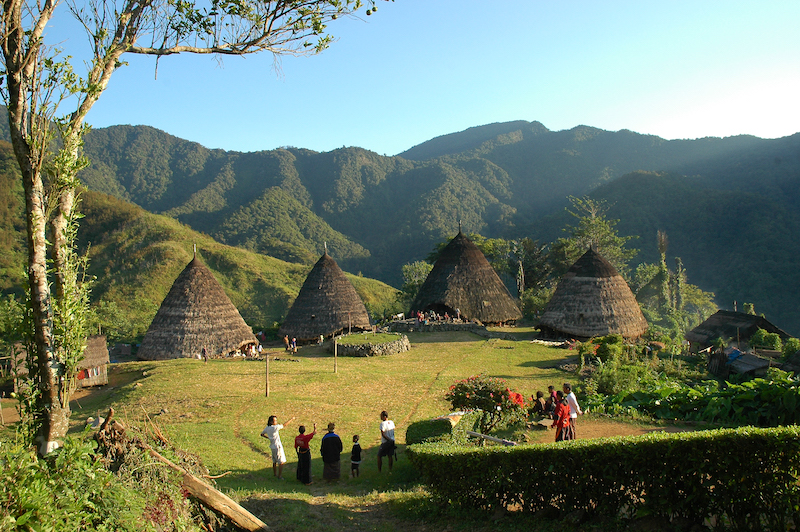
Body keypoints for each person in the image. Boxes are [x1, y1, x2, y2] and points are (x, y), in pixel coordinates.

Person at [261, 414, 295, 479]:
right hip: (277, 446)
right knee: (281, 461)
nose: (276, 422)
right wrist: (291, 419)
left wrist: (268, 438)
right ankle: (280, 476)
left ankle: (275, 474)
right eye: (275, 421)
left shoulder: (267, 428)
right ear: (271, 422)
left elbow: (262, 434)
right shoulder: (275, 428)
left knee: (274, 461)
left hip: (272, 446)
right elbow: (284, 425)